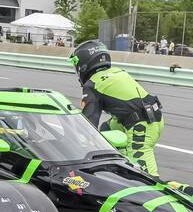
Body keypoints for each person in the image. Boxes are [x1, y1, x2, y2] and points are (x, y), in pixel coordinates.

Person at [69, 39, 164, 176]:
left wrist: (74, 148)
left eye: (76, 64)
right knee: (107, 129)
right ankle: (119, 166)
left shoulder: (93, 84)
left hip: (141, 125)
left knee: (146, 177)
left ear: (83, 63)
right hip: (149, 116)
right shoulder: (117, 72)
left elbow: (88, 123)